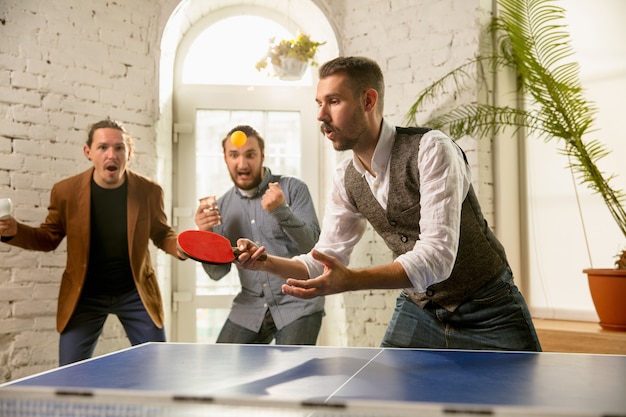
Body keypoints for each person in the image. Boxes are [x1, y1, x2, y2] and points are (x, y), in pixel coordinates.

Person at [235, 56, 542, 351]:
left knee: (527, 400)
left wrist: (351, 281)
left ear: (368, 101)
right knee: (379, 402)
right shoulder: (345, 177)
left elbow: (437, 257)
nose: (321, 114)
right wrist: (265, 262)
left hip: (489, 308)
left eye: (334, 101)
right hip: (419, 309)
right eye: (319, 103)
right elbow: (323, 258)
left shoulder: (431, 149)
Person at [0, 118, 185, 365]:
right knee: (69, 372)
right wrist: (14, 231)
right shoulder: (65, 191)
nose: (112, 154)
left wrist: (181, 247)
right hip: (85, 294)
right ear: (88, 152)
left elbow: (162, 234)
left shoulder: (149, 191)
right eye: (103, 147)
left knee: (159, 365)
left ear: (128, 153)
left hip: (135, 292)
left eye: (119, 148)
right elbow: (48, 239)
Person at [194, 125, 324, 345]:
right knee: (219, 367)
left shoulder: (293, 189)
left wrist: (280, 211)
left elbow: (314, 249)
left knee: (292, 376)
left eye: (250, 155)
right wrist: (205, 236)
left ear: (262, 156)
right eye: (234, 155)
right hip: (249, 306)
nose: (242, 164)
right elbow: (217, 274)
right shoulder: (222, 208)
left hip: (297, 302)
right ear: (225, 158)